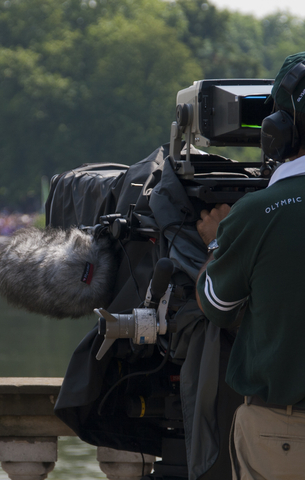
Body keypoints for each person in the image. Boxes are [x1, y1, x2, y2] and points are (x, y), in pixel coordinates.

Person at [195, 51, 305, 480]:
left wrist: (216, 241)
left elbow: (216, 306)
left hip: (284, 435)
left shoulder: (259, 213)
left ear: (278, 132)